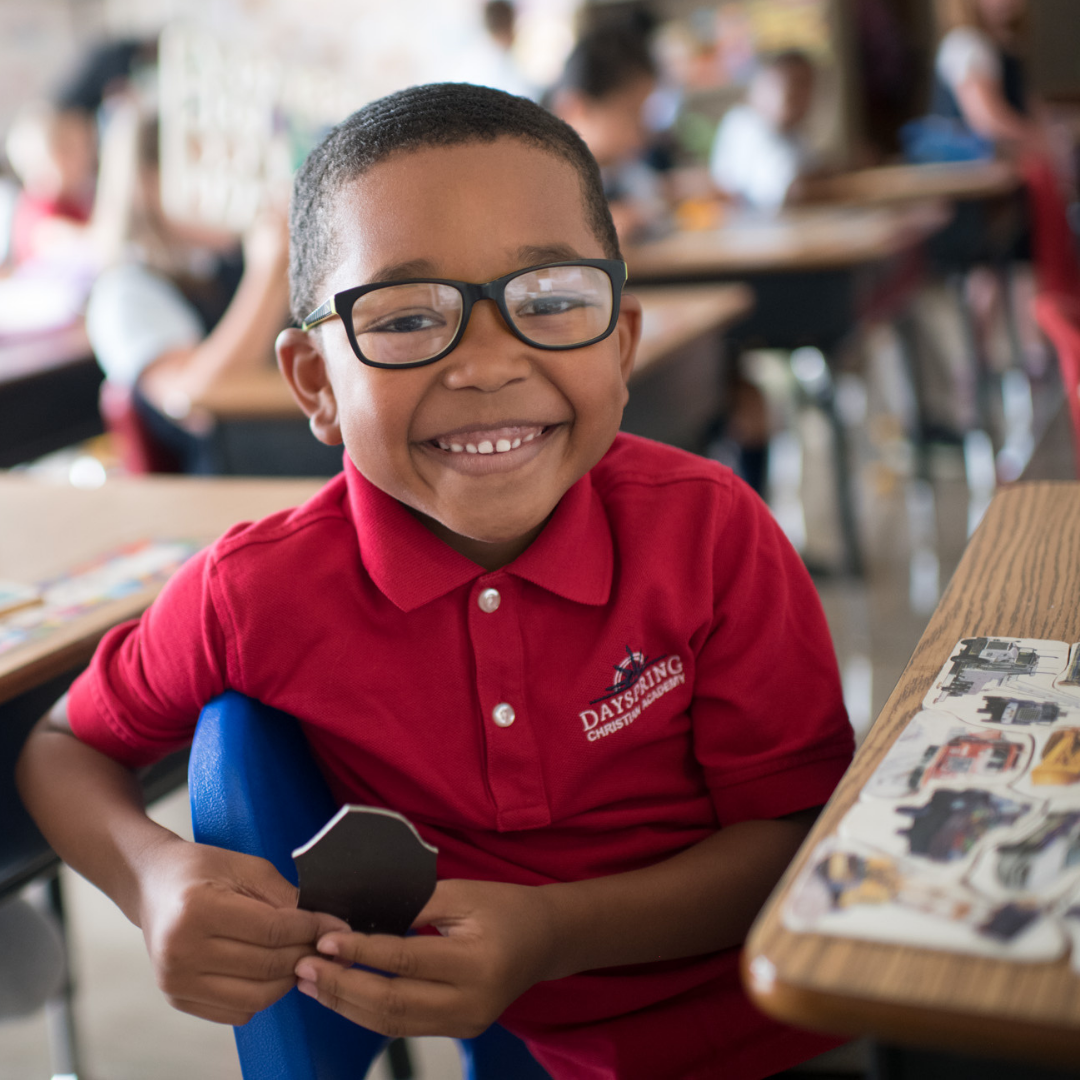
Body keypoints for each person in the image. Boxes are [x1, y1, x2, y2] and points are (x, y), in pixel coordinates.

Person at [16, 84, 854, 1080]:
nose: (488, 364)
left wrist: (551, 932)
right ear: (316, 385)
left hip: (792, 1018)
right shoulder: (256, 592)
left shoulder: (712, 532)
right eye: (407, 318)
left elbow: (799, 844)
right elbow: (63, 746)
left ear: (620, 346)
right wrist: (152, 877)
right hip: (530, 1054)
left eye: (549, 301)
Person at [84, 112, 291, 472]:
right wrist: (268, 270)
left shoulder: (223, 264)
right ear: (149, 184)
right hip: (225, 477)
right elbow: (195, 401)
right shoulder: (126, 293)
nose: (231, 185)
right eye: (207, 170)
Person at [548, 27, 668, 244]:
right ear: (577, 108)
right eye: (631, 114)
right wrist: (599, 229)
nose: (641, 133)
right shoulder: (534, 178)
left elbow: (641, 188)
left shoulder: (607, 170)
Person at [709, 50, 818, 212]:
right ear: (765, 84)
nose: (804, 95)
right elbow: (783, 192)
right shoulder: (745, 125)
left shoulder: (792, 134)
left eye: (808, 86)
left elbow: (813, 171)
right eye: (795, 84)